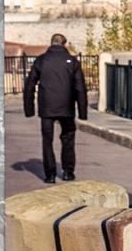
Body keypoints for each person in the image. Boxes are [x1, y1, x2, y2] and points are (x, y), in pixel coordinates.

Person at [23, 32, 89, 181]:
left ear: (51, 43)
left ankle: (50, 174)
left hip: (47, 107)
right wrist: (82, 112)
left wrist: (29, 109)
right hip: (67, 106)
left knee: (47, 140)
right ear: (64, 44)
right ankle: (68, 171)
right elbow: (80, 88)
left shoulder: (41, 60)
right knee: (68, 138)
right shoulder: (72, 61)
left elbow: (30, 85)